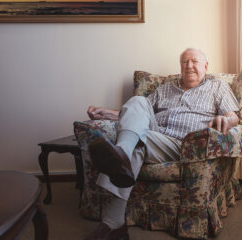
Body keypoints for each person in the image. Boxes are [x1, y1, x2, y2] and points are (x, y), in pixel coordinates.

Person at [84, 48, 240, 240]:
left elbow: (234, 116)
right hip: (157, 136)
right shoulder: (165, 88)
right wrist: (107, 113)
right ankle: (121, 156)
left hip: (185, 145)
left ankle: (111, 222)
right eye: (184, 62)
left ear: (206, 66)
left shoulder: (217, 87)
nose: (189, 66)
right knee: (139, 102)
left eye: (194, 61)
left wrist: (226, 120)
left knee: (135, 143)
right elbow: (137, 114)